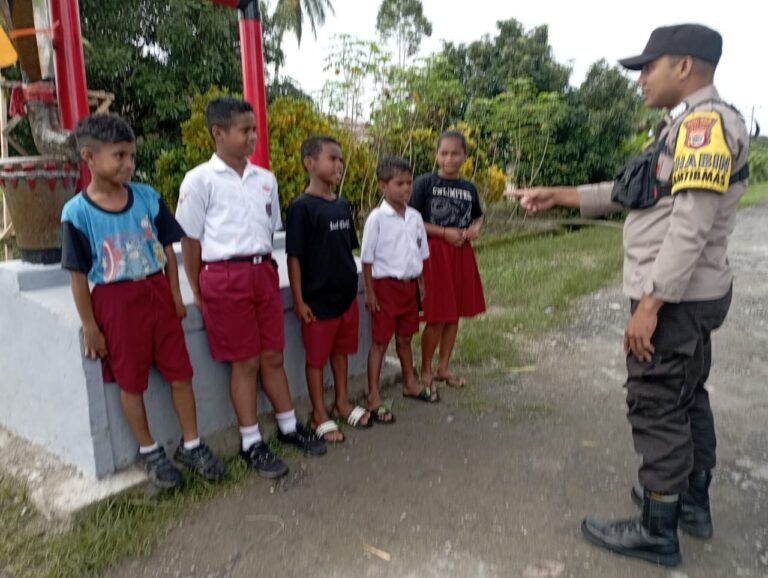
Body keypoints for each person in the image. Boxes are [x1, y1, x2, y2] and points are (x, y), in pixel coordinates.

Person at [511, 24, 750, 567]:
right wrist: (560, 196)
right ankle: (689, 502)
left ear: (684, 66)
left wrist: (650, 304)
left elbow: (689, 224)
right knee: (687, 395)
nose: (641, 78)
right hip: (694, 296)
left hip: (676, 301)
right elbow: (640, 194)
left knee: (658, 404)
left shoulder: (702, 128)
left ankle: (656, 530)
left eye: (649, 66)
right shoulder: (687, 126)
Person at [61, 113, 227, 489]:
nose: (128, 164)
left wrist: (175, 296)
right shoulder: (77, 213)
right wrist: (90, 326)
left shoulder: (147, 198)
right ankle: (149, 449)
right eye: (119, 155)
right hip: (115, 302)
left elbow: (167, 249)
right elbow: (76, 274)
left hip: (156, 294)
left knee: (181, 373)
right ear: (89, 157)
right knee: (130, 381)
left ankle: (192, 443)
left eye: (131, 156)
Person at [175, 97, 326, 480]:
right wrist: (199, 289)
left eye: (254, 129)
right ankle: (250, 442)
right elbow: (190, 241)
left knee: (273, 355)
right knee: (244, 363)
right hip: (224, 277)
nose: (252, 137)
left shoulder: (265, 180)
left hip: (262, 273)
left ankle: (290, 427)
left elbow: (269, 228)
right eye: (244, 130)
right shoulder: (199, 180)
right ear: (218, 133)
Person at [286, 136, 372, 443]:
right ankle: (318, 414)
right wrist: (298, 299)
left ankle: (342, 401)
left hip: (346, 297)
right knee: (316, 360)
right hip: (317, 302)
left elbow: (348, 250)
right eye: (332, 158)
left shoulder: (342, 205)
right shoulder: (301, 208)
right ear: (310, 163)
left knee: (342, 353)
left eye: (340, 159)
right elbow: (294, 257)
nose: (339, 164)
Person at [409, 130, 486, 399]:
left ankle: (443, 368)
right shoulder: (424, 184)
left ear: (465, 156)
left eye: (455, 153)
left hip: (461, 253)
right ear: (436, 155)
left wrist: (475, 228)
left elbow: (478, 217)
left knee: (454, 314)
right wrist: (443, 233)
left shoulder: (469, 188)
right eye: (444, 153)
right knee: (437, 315)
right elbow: (412, 220)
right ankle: (426, 369)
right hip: (435, 253)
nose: (449, 159)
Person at [361, 156, 431, 420]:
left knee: (405, 338)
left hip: (409, 287)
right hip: (385, 288)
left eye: (409, 183)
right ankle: (373, 395)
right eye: (399, 183)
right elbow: (367, 259)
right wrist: (369, 291)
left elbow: (419, 252)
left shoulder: (414, 217)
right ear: (383, 186)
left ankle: (410, 383)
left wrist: (420, 283)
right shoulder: (377, 219)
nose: (406, 188)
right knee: (380, 342)